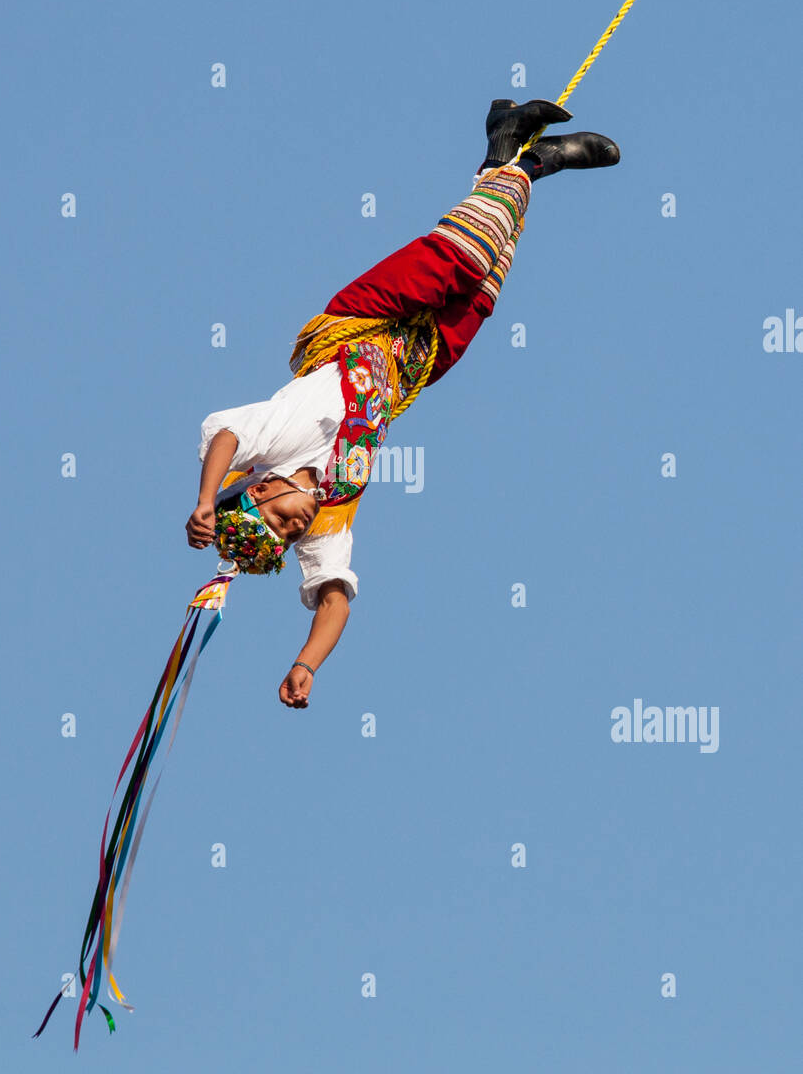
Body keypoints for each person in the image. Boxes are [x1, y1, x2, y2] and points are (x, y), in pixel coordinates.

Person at [186, 100, 620, 708]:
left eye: (281, 519)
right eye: (290, 535)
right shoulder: (328, 517)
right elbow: (334, 596)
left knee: (463, 256)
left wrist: (207, 501)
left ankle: (526, 161)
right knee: (484, 287)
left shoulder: (272, 444)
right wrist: (306, 663)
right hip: (414, 365)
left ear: (260, 490)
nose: (296, 526)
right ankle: (509, 154)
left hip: (363, 321)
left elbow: (224, 434)